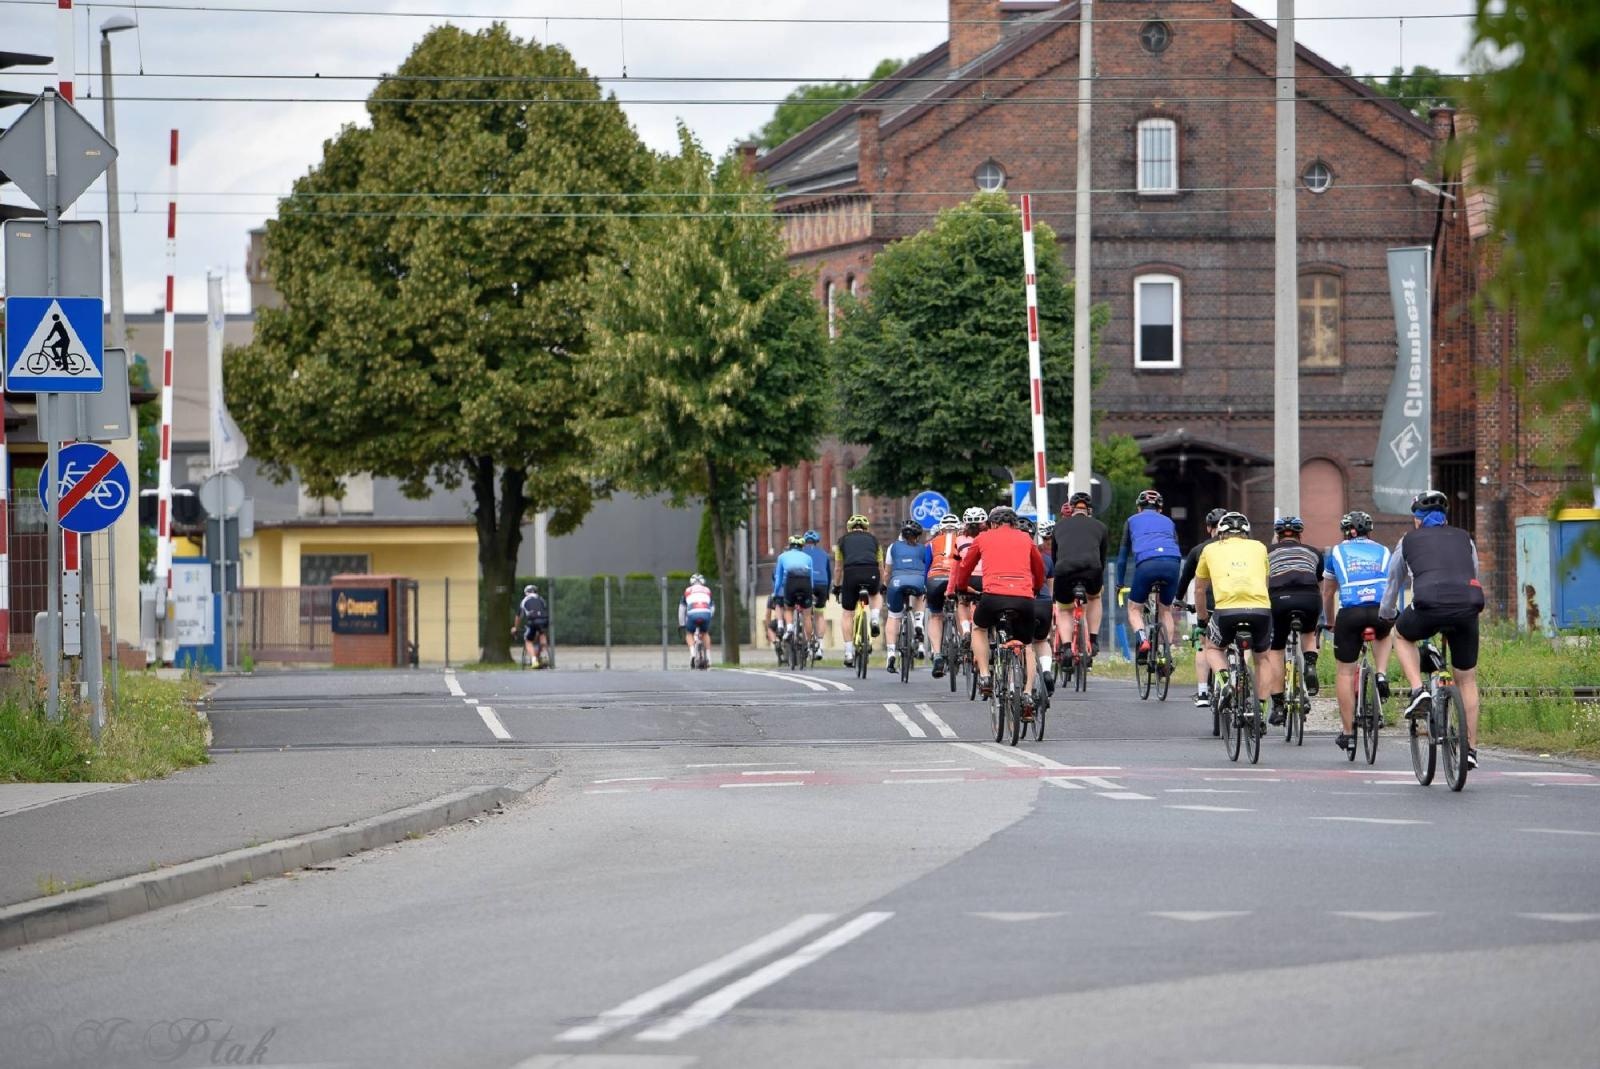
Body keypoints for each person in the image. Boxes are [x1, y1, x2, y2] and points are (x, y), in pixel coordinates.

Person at [1378, 489, 1487, 770]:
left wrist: (1387, 614)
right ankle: (1470, 749)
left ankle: (1418, 691)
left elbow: (1393, 581)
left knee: (1401, 635)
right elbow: (1472, 573)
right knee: (1467, 680)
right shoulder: (1465, 538)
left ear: (1418, 519)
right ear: (1444, 517)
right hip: (1467, 606)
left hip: (1428, 605)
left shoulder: (1407, 541)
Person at [953, 506, 1047, 717]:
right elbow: (1039, 568)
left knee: (979, 628)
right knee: (1027, 644)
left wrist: (961, 587)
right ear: (1014, 524)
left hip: (993, 597)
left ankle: (985, 676)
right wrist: (1035, 588)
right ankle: (1027, 693)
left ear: (992, 524)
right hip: (1023, 599)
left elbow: (966, 566)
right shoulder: (1026, 539)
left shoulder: (983, 538)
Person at [1322, 510, 1395, 753]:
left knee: (1344, 672)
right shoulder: (1384, 551)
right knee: (1384, 633)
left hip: (1351, 613)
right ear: (1369, 531)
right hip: (1380, 610)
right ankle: (1381, 674)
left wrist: (1330, 621)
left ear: (1345, 532)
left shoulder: (1335, 552)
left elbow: (1328, 593)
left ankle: (1348, 733)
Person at [1193, 512, 1272, 728]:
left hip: (1226, 611)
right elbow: (1265, 582)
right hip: (1260, 610)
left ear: (1220, 533)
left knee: (1212, 648)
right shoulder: (1260, 547)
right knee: (1263, 659)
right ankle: (1260, 710)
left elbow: (1199, 589)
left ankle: (1226, 681)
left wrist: (1202, 619)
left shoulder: (1210, 549)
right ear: (1246, 533)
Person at [1263, 515, 1325, 725]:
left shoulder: (1267, 552)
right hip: (1310, 598)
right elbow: (1320, 584)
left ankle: (1278, 706)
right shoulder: (1313, 552)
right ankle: (1310, 665)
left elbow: (1264, 582)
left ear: (1277, 535)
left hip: (1280, 598)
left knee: (1276, 649)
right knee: (1309, 633)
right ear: (1300, 535)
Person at [1117, 489, 1183, 667]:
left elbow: (1122, 557)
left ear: (1139, 508)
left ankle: (1143, 640)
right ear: (1160, 509)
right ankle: (1166, 652)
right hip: (1172, 563)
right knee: (1166, 610)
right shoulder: (1169, 521)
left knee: (1134, 608)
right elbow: (1176, 546)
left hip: (1147, 564)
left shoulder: (1131, 521)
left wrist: (1119, 583)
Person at [1052, 492, 1108, 674]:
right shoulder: (1100, 527)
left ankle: (1067, 647)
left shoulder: (1058, 527)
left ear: (1072, 508)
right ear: (1089, 510)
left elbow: (1054, 557)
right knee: (1095, 597)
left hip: (1064, 571)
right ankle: (1093, 639)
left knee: (1064, 610)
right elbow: (1102, 558)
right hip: (1092, 570)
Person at [1178, 507, 1228, 707]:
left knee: (1205, 644)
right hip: (1235, 601)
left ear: (1209, 528)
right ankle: (1239, 680)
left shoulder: (1200, 550)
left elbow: (1185, 578)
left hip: (1209, 603)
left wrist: (1177, 599)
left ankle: (1203, 693)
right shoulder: (1239, 548)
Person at [833, 514, 883, 668]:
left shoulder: (842, 541)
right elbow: (881, 566)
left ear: (849, 528)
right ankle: (874, 618)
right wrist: (882, 584)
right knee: (875, 594)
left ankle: (848, 652)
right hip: (871, 572)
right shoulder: (874, 540)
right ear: (866, 528)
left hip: (851, 574)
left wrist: (836, 586)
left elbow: (838, 568)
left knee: (848, 613)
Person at [883, 520, 932, 675]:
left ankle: (891, 653)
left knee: (893, 616)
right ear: (918, 536)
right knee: (920, 594)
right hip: (918, 580)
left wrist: (885, 586)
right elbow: (928, 569)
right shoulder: (924, 548)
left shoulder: (893, 547)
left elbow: (887, 572)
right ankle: (918, 622)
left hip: (897, 581)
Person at [925, 513, 962, 678]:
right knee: (962, 607)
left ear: (940, 530)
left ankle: (937, 654)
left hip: (935, 579)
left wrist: (925, 588)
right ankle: (965, 640)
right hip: (956, 578)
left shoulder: (931, 543)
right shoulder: (963, 540)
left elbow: (926, 568)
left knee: (935, 616)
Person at [773, 534, 815, 651]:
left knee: (788, 608)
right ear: (802, 546)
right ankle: (809, 645)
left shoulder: (782, 557)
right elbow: (811, 578)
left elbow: (778, 578)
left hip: (791, 583)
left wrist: (776, 593)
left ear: (790, 545)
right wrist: (811, 592)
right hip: (805, 583)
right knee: (807, 616)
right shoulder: (808, 558)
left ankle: (790, 627)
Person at [1032, 517, 1059, 688]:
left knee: (1024, 643)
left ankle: (1024, 688)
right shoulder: (1045, 558)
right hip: (1044, 602)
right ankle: (1047, 670)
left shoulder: (1008, 556)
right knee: (1042, 640)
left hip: (1022, 602)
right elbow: (1050, 588)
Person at [801, 530, 833, 661]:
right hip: (822, 585)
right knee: (820, 615)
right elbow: (829, 574)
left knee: (807, 615)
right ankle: (820, 646)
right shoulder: (824, 554)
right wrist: (828, 591)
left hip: (807, 584)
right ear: (816, 542)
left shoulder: (801, 553)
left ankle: (809, 646)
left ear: (804, 542)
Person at [680, 573, 715, 667]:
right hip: (705, 612)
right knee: (705, 633)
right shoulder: (707, 590)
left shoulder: (687, 590)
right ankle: (709, 657)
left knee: (689, 633)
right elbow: (712, 607)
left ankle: (692, 654)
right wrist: (709, 618)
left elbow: (682, 609)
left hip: (692, 613)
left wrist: (681, 623)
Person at [517, 584, 550, 669]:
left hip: (533, 621)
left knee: (528, 640)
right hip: (544, 620)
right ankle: (544, 654)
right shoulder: (541, 599)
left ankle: (534, 660)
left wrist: (515, 627)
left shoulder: (524, 600)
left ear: (526, 593)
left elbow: (518, 617)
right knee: (542, 634)